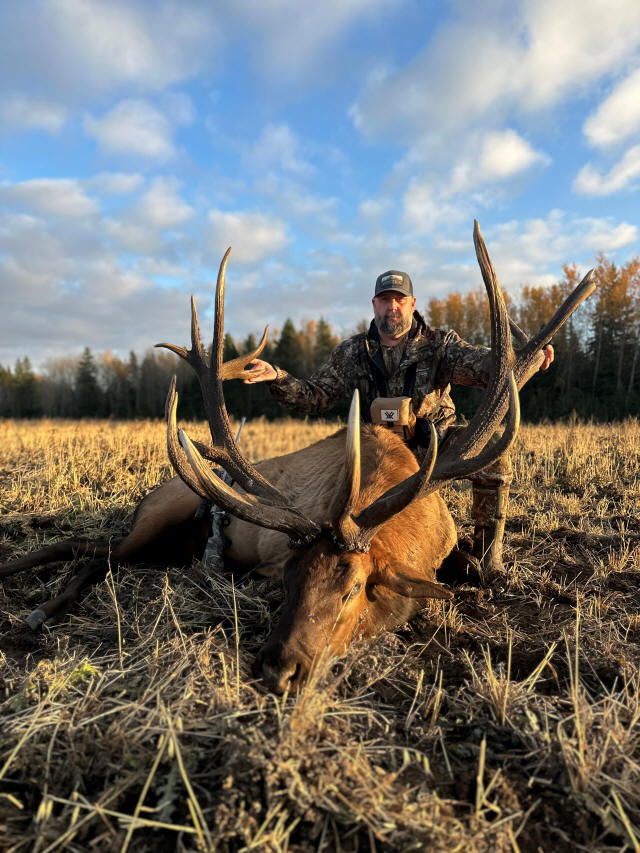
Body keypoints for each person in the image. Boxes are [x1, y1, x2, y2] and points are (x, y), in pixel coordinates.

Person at [243, 270, 553, 572]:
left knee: (493, 459)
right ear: (374, 304)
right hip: (377, 454)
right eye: (385, 299)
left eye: (399, 300)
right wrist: (278, 377)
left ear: (413, 304)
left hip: (431, 445)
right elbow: (315, 396)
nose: (393, 306)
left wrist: (526, 357)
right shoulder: (353, 353)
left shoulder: (440, 345)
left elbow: (486, 367)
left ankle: (488, 557)